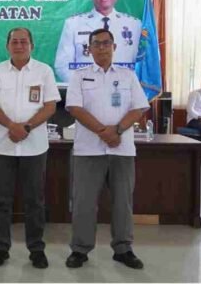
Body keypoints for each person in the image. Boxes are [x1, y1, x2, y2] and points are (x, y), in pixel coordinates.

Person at [64, 28, 149, 270]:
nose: (101, 47)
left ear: (114, 47)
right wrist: (104, 132)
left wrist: (118, 131)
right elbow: (74, 108)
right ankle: (80, 250)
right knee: (84, 202)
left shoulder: (127, 75)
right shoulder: (79, 76)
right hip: (88, 149)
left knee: (123, 201)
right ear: (89, 49)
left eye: (106, 43)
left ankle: (123, 249)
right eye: (96, 44)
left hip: (121, 150)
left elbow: (138, 108)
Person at [0, 27, 60, 268]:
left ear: (32, 46)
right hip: (2, 146)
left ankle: (36, 249)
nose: (19, 45)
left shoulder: (44, 71)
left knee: (34, 201)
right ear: (7, 46)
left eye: (23, 42)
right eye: (14, 42)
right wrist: (11, 126)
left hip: (34, 147)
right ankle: (1, 247)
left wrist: (25, 128)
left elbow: (50, 107)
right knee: (1, 201)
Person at [54, 0, 141, 82]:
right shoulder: (73, 24)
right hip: (86, 94)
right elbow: (62, 65)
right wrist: (85, 86)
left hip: (123, 93)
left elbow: (142, 66)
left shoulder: (134, 25)